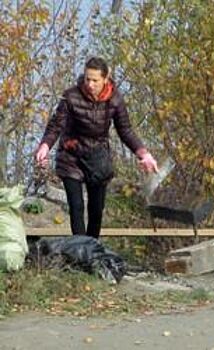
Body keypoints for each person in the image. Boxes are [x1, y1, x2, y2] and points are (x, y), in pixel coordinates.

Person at [35, 56, 158, 239]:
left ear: (105, 79)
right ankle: (80, 251)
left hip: (97, 156)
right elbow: (56, 125)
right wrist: (45, 146)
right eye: (87, 79)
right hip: (71, 155)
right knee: (76, 206)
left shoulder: (115, 99)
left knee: (96, 209)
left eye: (95, 80)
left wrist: (143, 153)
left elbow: (125, 130)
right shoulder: (71, 96)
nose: (90, 84)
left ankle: (92, 249)